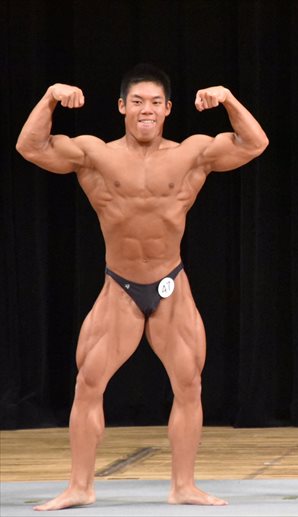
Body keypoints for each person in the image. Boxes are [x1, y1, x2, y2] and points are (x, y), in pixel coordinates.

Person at [16, 63, 268, 511]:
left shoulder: (190, 153)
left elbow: (254, 143)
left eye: (154, 102)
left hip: (172, 283)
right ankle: (80, 487)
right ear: (122, 107)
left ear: (168, 109)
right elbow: (30, 146)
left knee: (189, 384)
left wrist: (228, 99)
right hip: (120, 287)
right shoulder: (96, 154)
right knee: (88, 383)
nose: (146, 110)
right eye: (137, 102)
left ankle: (184, 486)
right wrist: (51, 96)